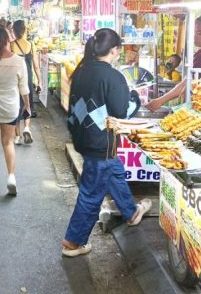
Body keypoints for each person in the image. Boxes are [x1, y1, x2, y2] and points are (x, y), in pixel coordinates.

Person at [62, 28, 151, 257]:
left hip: (84, 138)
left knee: (114, 170)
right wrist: (135, 99)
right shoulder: (113, 76)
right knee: (92, 192)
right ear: (114, 50)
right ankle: (73, 241)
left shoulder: (81, 71)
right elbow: (121, 111)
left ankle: (131, 212)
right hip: (101, 141)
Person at [0, 28, 30, 196]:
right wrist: (28, 106)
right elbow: (24, 88)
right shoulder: (19, 61)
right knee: (8, 142)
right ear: (7, 40)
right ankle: (11, 176)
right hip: (10, 108)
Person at [146, 14, 201, 112]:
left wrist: (160, 101)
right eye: (194, 32)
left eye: (200, 33)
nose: (195, 37)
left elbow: (186, 83)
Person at [10, 20, 42, 145]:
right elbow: (36, 66)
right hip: (27, 78)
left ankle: (17, 136)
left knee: (16, 104)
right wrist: (39, 81)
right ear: (25, 30)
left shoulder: (11, 45)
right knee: (27, 103)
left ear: (14, 30)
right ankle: (27, 128)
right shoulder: (31, 45)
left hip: (14, 78)